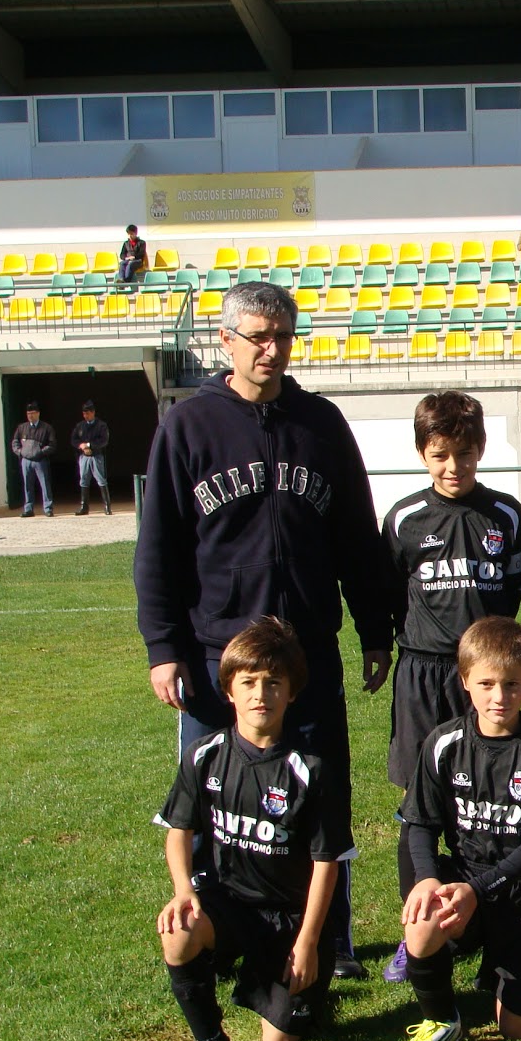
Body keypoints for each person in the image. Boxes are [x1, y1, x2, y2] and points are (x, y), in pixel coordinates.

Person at [134, 281, 394, 981]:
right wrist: (164, 648)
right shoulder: (188, 425)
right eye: (257, 336)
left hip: (307, 653)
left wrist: (374, 629)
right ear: (227, 341)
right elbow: (158, 546)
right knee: (216, 798)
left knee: (321, 797)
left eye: (282, 336)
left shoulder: (321, 424)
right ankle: (215, 935)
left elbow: (355, 536)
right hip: (217, 654)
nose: (271, 350)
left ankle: (331, 941)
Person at [154, 617, 352, 1041]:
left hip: (291, 918)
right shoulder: (204, 755)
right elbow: (178, 830)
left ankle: (300, 991)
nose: (260, 694)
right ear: (229, 690)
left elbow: (327, 863)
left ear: (291, 693)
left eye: (273, 682)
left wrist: (308, 942)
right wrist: (183, 891)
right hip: (229, 904)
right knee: (179, 930)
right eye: (248, 683)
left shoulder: (312, 770)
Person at [381, 390, 521, 984]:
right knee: (420, 802)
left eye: (464, 453)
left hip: (485, 675)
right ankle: (417, 927)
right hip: (422, 673)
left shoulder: (505, 515)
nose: (453, 466)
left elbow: (511, 596)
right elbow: (390, 594)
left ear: (481, 449)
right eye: (440, 454)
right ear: (423, 453)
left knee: (491, 792)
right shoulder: (404, 518)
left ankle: (494, 919)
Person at [395, 616, 521, 1041]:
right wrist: (427, 880)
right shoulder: (444, 742)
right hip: (463, 876)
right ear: (465, 681)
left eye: (511, 684)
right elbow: (419, 824)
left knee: (517, 1030)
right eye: (486, 684)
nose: (499, 697)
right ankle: (441, 1020)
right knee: (422, 918)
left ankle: (507, 968)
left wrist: (478, 889)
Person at [11, 401, 56, 518]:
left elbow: (52, 445)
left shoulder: (46, 428)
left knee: (44, 484)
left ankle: (48, 508)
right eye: (28, 413)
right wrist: (20, 452)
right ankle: (28, 509)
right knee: (27, 485)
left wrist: (40, 452)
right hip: (26, 461)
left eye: (32, 413)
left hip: (40, 461)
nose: (30, 416)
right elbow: (15, 441)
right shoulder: (22, 428)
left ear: (38, 413)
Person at [71, 399, 111, 515]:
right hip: (84, 456)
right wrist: (81, 445)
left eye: (87, 413)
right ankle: (84, 506)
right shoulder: (80, 426)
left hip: (96, 455)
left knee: (101, 479)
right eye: (84, 414)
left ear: (93, 412)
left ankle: (107, 506)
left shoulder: (101, 425)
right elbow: (74, 439)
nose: (86, 416)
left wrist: (89, 445)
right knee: (83, 480)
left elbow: (104, 441)